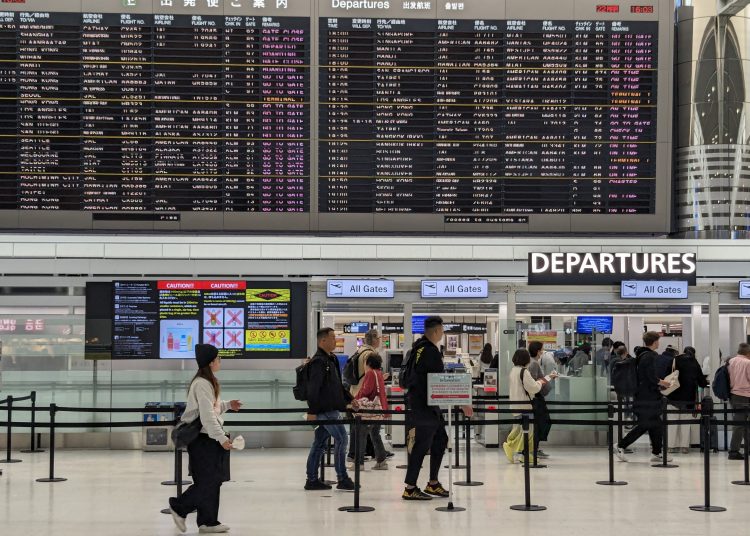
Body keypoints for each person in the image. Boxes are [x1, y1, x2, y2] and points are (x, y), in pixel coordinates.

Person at [169, 344, 242, 534]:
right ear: (211, 362)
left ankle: (208, 521)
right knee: (209, 481)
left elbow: (212, 408)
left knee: (212, 480)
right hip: (203, 440)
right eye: (218, 358)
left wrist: (227, 405)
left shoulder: (207, 382)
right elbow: (207, 416)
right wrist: (221, 438)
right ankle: (179, 507)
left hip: (207, 438)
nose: (220, 362)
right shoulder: (202, 383)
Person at [403, 316, 473, 501]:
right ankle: (410, 488)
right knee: (422, 445)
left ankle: (432, 483)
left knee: (440, 439)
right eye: (442, 331)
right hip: (425, 405)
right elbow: (439, 380)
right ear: (435, 331)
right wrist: (462, 400)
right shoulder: (430, 351)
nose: (442, 334)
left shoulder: (417, 348)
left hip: (423, 403)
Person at [304, 327, 356, 492]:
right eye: (333, 337)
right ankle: (342, 478)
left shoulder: (331, 359)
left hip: (331, 408)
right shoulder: (318, 361)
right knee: (342, 439)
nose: (335, 340)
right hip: (325, 409)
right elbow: (313, 389)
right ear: (322, 341)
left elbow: (337, 386)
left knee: (319, 443)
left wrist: (351, 400)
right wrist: (312, 412)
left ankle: (312, 479)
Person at [616, 332, 672, 462]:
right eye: (658, 340)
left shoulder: (641, 355)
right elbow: (651, 377)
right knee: (645, 424)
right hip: (647, 398)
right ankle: (621, 445)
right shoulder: (650, 356)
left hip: (643, 395)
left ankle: (657, 452)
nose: (659, 343)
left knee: (656, 425)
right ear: (654, 342)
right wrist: (663, 382)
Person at [503, 348, 554, 463]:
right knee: (529, 431)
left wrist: (547, 378)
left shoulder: (513, 371)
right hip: (525, 405)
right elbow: (534, 387)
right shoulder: (524, 371)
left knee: (519, 430)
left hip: (515, 405)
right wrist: (543, 381)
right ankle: (512, 447)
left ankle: (521, 453)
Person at [347, 329, 382, 463]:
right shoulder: (369, 354)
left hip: (355, 392)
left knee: (358, 427)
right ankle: (359, 457)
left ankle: (355, 454)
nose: (379, 340)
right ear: (374, 339)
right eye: (378, 338)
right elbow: (369, 376)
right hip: (364, 396)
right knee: (365, 428)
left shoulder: (359, 351)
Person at [667, 346, 707, 454]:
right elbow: (702, 382)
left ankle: (671, 446)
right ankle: (684, 447)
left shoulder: (675, 359)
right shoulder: (694, 362)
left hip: (673, 396)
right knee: (685, 423)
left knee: (672, 421)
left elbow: (668, 375)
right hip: (688, 398)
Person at [352, 354, 389, 470]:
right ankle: (381, 461)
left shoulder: (370, 373)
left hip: (369, 410)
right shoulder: (379, 373)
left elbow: (366, 390)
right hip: (379, 409)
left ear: (368, 363)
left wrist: (356, 398)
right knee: (375, 434)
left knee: (362, 434)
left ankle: (359, 464)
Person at [528, 341, 556, 458]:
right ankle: (534, 448)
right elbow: (535, 383)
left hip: (536, 397)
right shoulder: (534, 363)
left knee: (540, 423)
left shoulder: (531, 362)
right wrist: (549, 377)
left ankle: (535, 448)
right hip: (537, 398)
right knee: (542, 422)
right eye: (541, 350)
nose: (542, 352)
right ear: (538, 351)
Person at [728, 343, 750, 460]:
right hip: (746, 395)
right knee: (741, 424)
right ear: (748, 353)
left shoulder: (731, 361)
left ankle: (734, 449)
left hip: (734, 395)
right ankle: (734, 451)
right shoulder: (747, 363)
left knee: (739, 423)